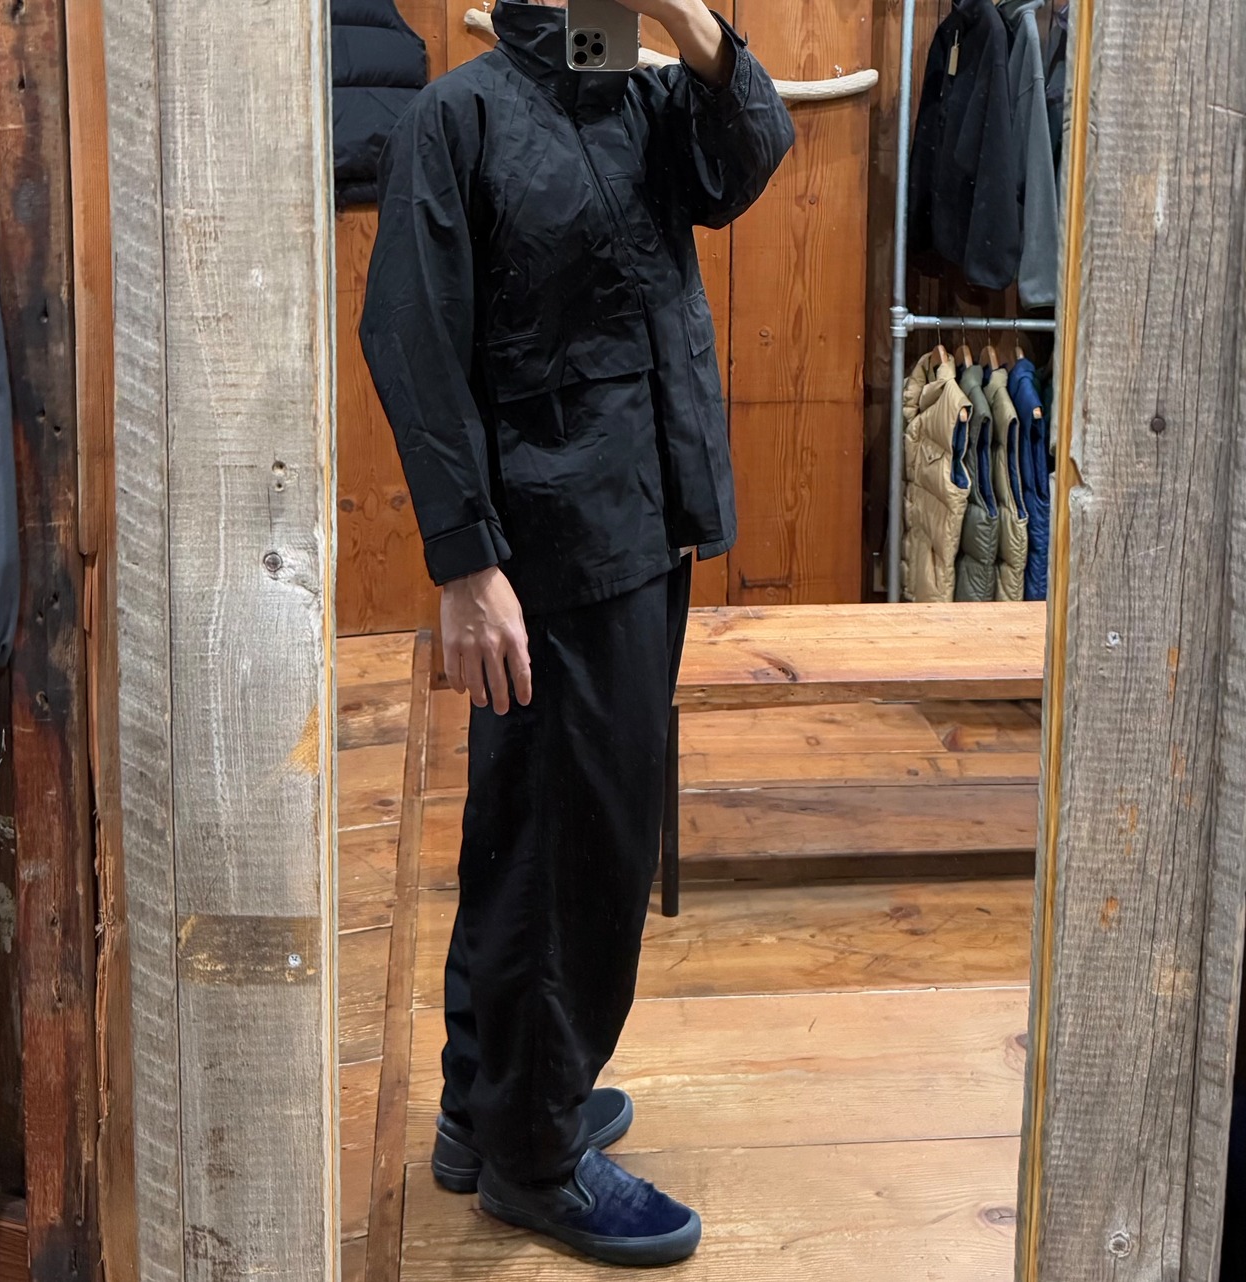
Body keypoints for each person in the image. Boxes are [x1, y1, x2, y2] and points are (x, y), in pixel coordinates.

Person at [360, 0, 792, 1265]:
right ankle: (536, 1157)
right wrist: (464, 562)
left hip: (645, 518)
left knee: (529, 830)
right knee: (573, 849)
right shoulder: (457, 116)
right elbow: (410, 338)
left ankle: (485, 1107)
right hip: (546, 550)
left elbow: (748, 155)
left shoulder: (646, 96)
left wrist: (686, 17)